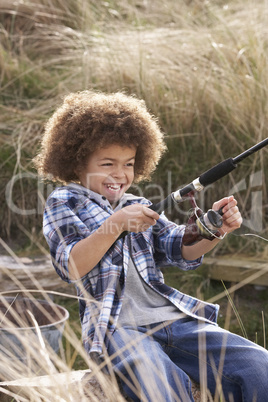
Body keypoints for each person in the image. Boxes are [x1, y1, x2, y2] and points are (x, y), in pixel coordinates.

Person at [34, 90, 268, 401]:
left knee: (258, 366)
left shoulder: (137, 204)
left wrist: (213, 230)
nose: (120, 174)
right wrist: (116, 224)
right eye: (108, 163)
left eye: (129, 164)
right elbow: (72, 266)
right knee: (161, 382)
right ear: (77, 163)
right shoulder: (64, 202)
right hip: (117, 330)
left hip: (172, 319)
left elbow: (180, 250)